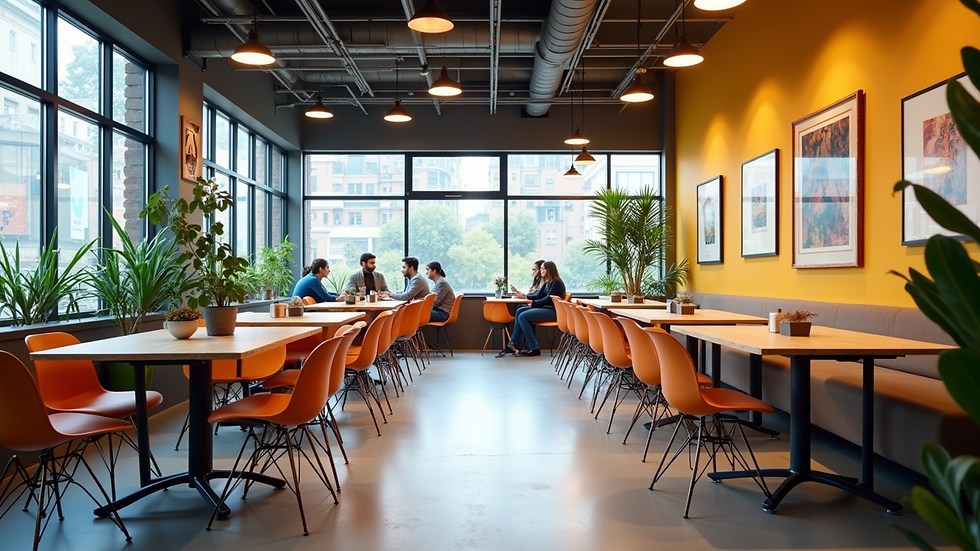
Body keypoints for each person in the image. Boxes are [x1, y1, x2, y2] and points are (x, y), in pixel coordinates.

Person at [497, 260, 565, 357]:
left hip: (553, 311)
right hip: (546, 309)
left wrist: (533, 303)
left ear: (549, 270)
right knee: (519, 311)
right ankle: (514, 343)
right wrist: (525, 296)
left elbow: (548, 299)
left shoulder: (557, 283)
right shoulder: (548, 282)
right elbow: (538, 295)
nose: (541, 271)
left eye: (543, 269)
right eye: (541, 269)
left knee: (523, 316)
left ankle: (534, 348)